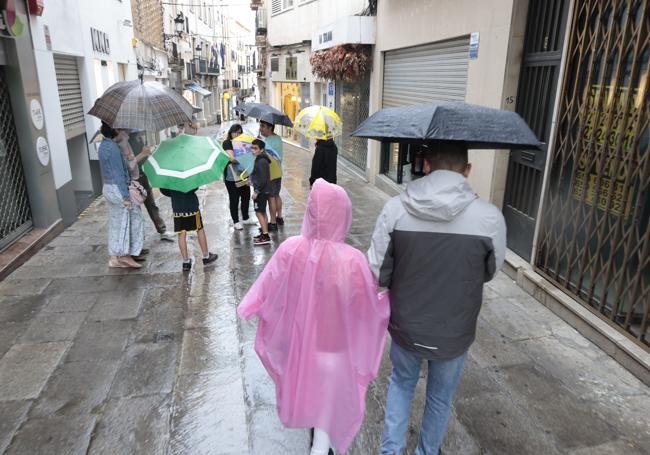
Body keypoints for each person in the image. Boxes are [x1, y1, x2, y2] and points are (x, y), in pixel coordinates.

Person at [368, 141, 506, 455]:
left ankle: (391, 451)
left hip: (405, 323)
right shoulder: (489, 217)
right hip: (455, 329)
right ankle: (427, 451)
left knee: (401, 383)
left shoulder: (396, 208)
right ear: (467, 170)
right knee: (440, 398)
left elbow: (376, 268)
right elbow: (490, 271)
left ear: (426, 165)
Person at [237, 179, 390, 455]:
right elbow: (365, 305)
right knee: (327, 407)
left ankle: (318, 444)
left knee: (315, 397)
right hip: (335, 348)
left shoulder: (291, 249)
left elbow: (267, 285)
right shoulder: (353, 260)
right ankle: (321, 447)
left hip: (302, 344)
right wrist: (387, 300)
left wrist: (249, 306)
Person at [97, 122, 145, 269]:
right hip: (118, 189)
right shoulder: (113, 148)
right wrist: (125, 197)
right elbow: (118, 173)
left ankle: (114, 257)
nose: (123, 131)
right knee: (129, 219)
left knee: (116, 222)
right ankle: (125, 256)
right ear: (115, 130)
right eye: (120, 129)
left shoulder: (103, 145)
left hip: (108, 187)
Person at [120, 129, 176, 242]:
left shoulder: (138, 136)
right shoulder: (123, 142)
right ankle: (137, 241)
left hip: (142, 175)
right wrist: (143, 154)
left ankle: (162, 230)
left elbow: (144, 156)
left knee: (151, 204)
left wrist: (148, 153)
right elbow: (128, 164)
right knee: (135, 211)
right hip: (132, 180)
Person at [159, 187, 218, 272]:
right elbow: (194, 187)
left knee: (181, 235)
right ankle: (206, 256)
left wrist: (174, 194)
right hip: (191, 207)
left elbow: (163, 190)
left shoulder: (169, 177)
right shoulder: (188, 174)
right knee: (199, 229)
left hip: (177, 209)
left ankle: (186, 262)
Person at [222, 124, 257, 230]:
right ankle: (236, 221)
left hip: (243, 174)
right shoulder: (227, 143)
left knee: (246, 196)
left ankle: (246, 218)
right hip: (231, 176)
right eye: (235, 132)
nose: (237, 134)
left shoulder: (243, 143)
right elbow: (231, 158)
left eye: (239, 132)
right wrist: (244, 156)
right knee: (234, 198)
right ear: (230, 133)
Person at [259, 120, 284, 230]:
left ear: (270, 128)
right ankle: (279, 217)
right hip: (278, 171)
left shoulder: (267, 141)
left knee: (271, 198)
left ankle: (273, 222)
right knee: (277, 195)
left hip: (270, 173)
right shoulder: (278, 138)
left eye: (263, 126)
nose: (261, 128)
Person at [250, 139, 272, 246]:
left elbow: (263, 179)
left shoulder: (261, 161)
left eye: (255, 148)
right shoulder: (260, 159)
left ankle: (266, 235)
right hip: (263, 190)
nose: (253, 150)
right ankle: (264, 232)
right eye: (252, 147)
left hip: (261, 191)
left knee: (258, 212)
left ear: (261, 149)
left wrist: (256, 191)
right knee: (262, 212)